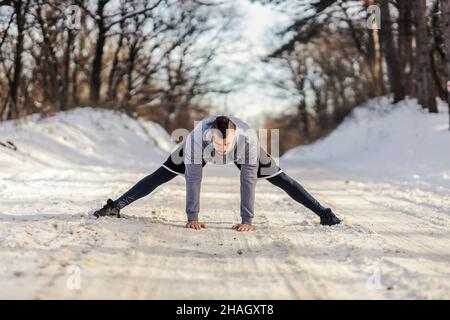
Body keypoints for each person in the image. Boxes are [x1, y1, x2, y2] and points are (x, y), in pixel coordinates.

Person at [93, 116, 341, 231]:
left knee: (282, 180)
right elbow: (193, 179)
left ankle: (325, 214)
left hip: (245, 153)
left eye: (227, 144)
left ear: (234, 138)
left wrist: (247, 221)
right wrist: (192, 216)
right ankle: (115, 207)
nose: (223, 149)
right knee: (160, 175)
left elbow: (248, 182)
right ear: (210, 136)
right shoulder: (195, 141)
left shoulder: (247, 142)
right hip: (197, 150)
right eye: (218, 143)